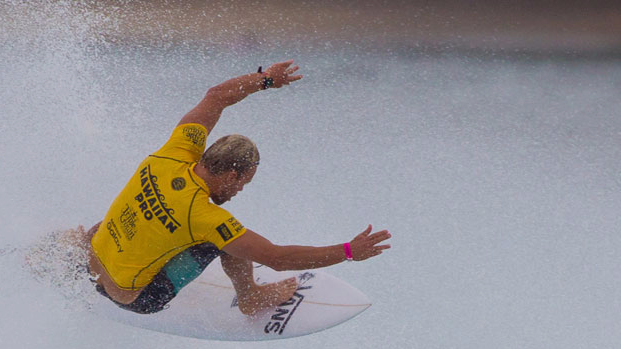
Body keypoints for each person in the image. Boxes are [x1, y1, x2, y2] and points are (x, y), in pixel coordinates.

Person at [84, 60, 391, 315]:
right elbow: (277, 258)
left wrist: (266, 79)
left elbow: (216, 96)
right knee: (224, 241)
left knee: (105, 225)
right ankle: (250, 297)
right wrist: (349, 251)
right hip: (135, 297)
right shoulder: (206, 218)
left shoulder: (173, 152)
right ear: (232, 175)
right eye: (244, 183)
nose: (240, 190)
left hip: (92, 259)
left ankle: (69, 248)